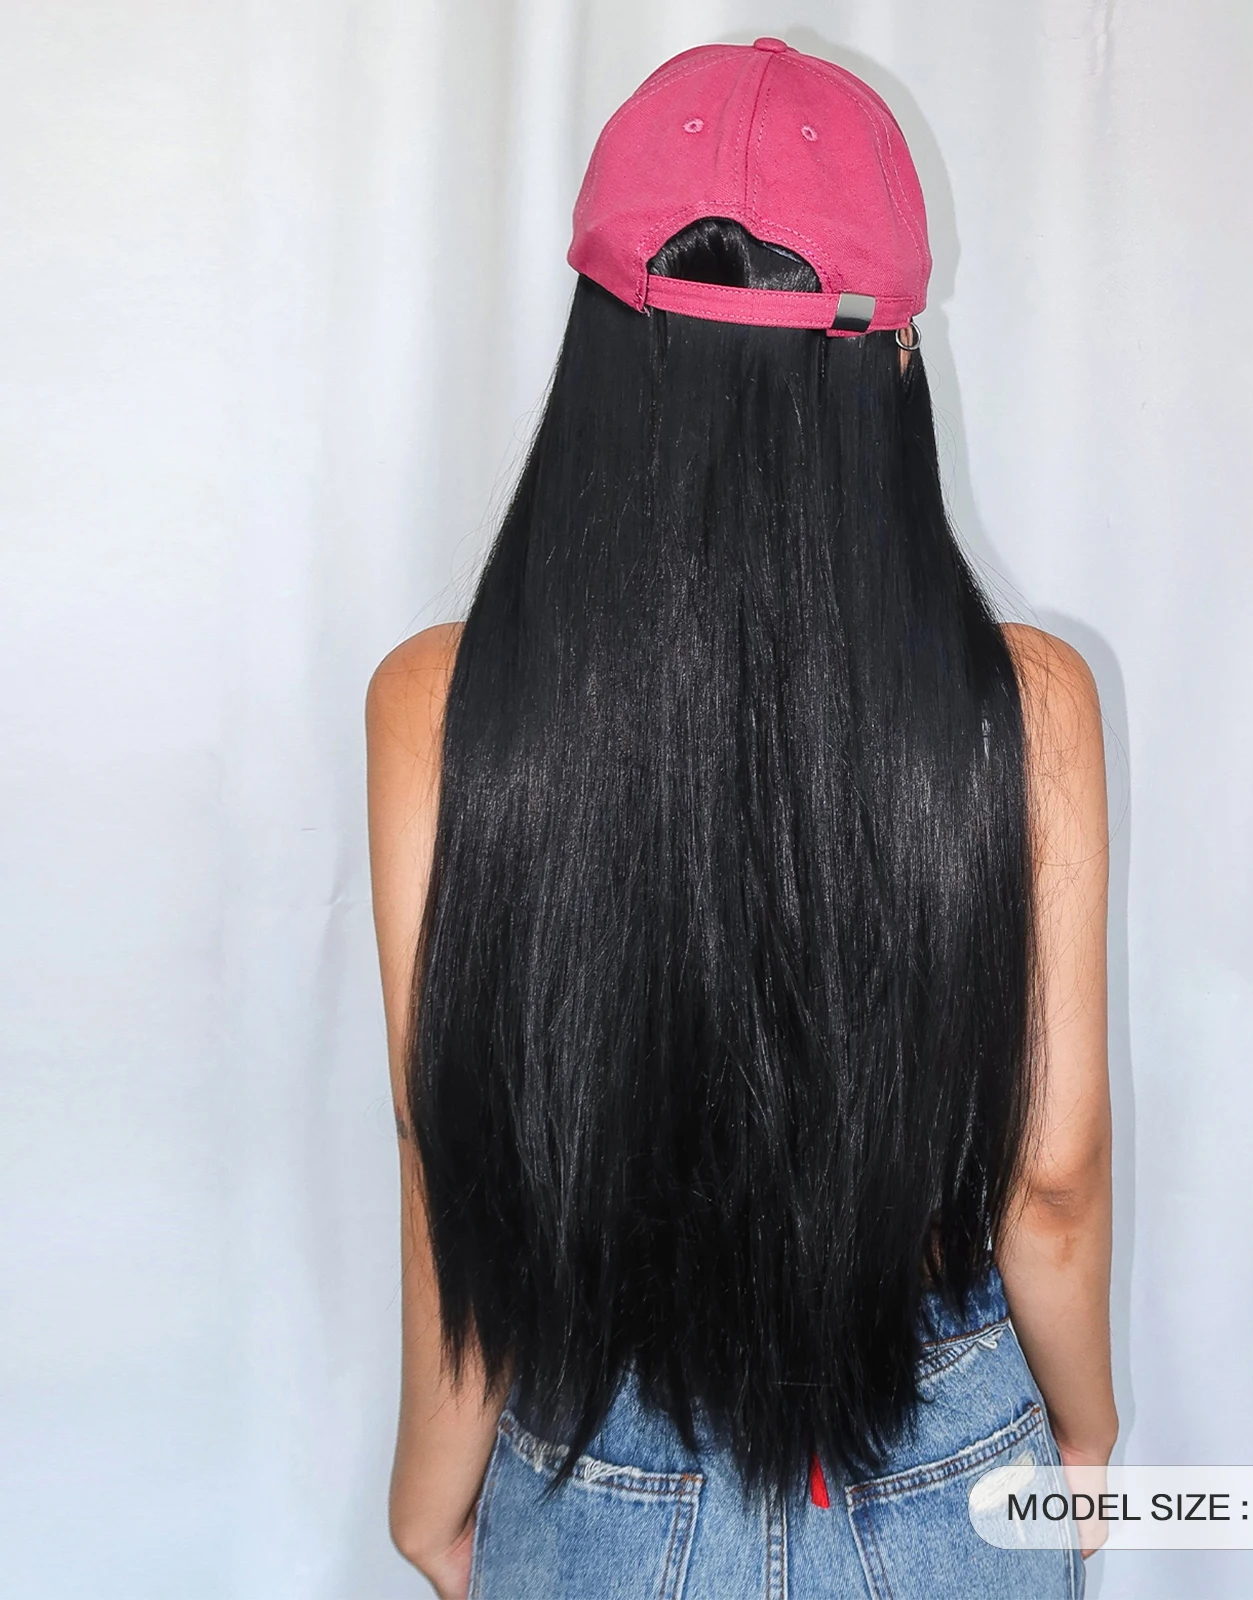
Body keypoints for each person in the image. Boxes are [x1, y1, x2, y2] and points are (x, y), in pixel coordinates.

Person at [366, 37, 1114, 1600]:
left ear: (593, 352)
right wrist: (1089, 1434)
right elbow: (1050, 1175)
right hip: (942, 1453)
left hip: (595, 1457)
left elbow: (456, 1156)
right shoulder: (1026, 706)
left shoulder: (438, 703)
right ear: (893, 364)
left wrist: (429, 1492)